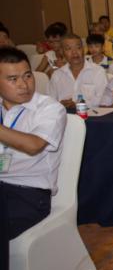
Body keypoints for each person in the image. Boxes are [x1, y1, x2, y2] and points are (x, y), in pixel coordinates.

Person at [0, 47, 67, 239]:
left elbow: (33, 145)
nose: (24, 85)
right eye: (13, 79)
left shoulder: (49, 108)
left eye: (28, 76)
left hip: (28, 194)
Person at [48, 33, 107, 109]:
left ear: (83, 49)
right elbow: (50, 102)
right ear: (62, 52)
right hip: (65, 115)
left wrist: (77, 104)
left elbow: (103, 101)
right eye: (68, 49)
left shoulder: (98, 72)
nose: (74, 52)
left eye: (78, 48)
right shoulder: (57, 75)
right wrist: (59, 105)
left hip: (91, 115)